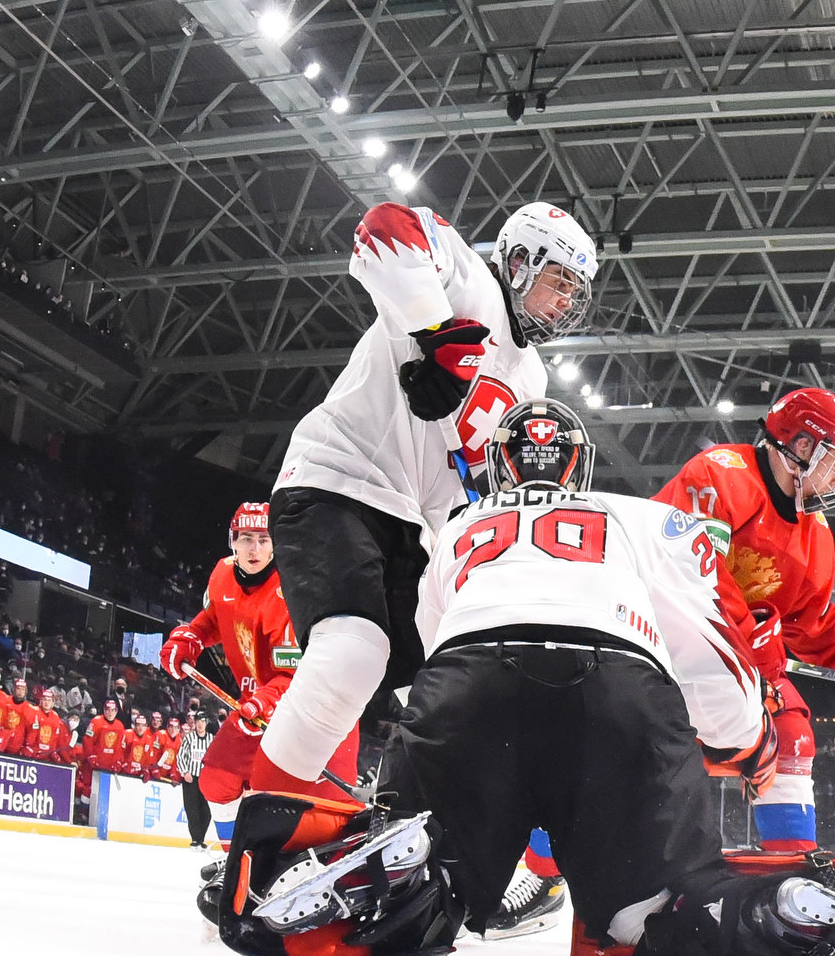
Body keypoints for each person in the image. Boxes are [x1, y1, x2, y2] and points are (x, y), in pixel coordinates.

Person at [213, 398, 835, 956]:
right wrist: (744, 736)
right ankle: (754, 915)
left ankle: (420, 875)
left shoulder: (461, 528)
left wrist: (437, 732)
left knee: (446, 883)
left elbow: (433, 645)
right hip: (617, 685)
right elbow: (707, 632)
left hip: (471, 675)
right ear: (583, 469)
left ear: (498, 467)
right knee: (651, 914)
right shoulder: (647, 517)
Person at [252, 200, 594, 801]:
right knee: (353, 655)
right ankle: (261, 832)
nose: (565, 303)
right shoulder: (467, 276)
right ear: (518, 261)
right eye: (557, 282)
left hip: (411, 523)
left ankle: (405, 826)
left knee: (445, 693)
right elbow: (383, 226)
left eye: (574, 292)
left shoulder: (531, 376)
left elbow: (466, 477)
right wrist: (435, 332)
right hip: (335, 480)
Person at [654, 387, 835, 853]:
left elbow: (811, 622)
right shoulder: (720, 475)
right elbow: (691, 570)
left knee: (791, 733)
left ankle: (792, 870)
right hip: (652, 641)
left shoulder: (816, 535)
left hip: (731, 658)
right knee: (613, 746)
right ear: (802, 447)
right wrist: (749, 640)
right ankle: (544, 877)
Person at [160, 501, 359, 845]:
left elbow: (296, 673)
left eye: (264, 540)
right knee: (217, 778)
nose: (255, 549)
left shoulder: (290, 592)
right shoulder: (222, 573)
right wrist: (190, 636)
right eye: (247, 538)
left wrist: (263, 702)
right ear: (232, 541)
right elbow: (215, 618)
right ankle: (234, 865)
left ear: (276, 544)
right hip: (258, 710)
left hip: (314, 711)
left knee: (322, 810)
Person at [176, 709, 213, 849]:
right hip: (190, 780)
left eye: (203, 721)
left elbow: (215, 760)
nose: (200, 724)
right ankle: (196, 839)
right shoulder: (189, 738)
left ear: (206, 723)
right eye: (198, 721)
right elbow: (181, 756)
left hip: (205, 780)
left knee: (206, 810)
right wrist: (185, 772)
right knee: (192, 809)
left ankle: (201, 838)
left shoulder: (211, 739)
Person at [20, 687, 71, 765]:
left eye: (49, 700)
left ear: (53, 703)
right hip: (33, 753)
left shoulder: (55, 716)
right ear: (40, 701)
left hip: (46, 755)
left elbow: (55, 738)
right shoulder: (33, 711)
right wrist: (28, 747)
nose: (46, 702)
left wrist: (53, 751)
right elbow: (27, 731)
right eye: (44, 700)